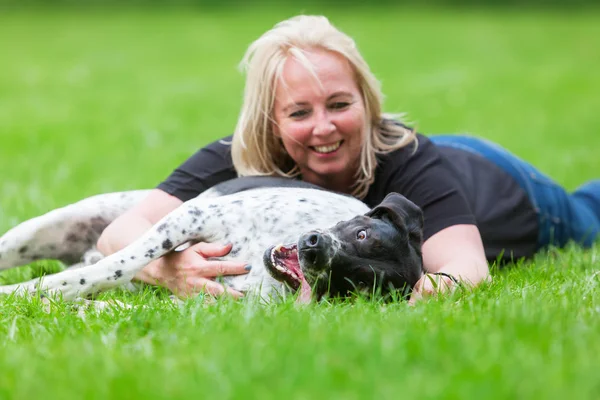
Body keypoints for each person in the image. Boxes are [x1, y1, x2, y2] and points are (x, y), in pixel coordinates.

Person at [96, 15, 600, 303]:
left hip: (507, 189)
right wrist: (166, 269)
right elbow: (123, 230)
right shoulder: (239, 154)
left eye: (340, 105)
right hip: (454, 162)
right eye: (299, 112)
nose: (324, 127)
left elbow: (466, 268)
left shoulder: (407, 158)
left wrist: (402, 306)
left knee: (591, 212)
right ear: (270, 121)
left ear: (367, 103)